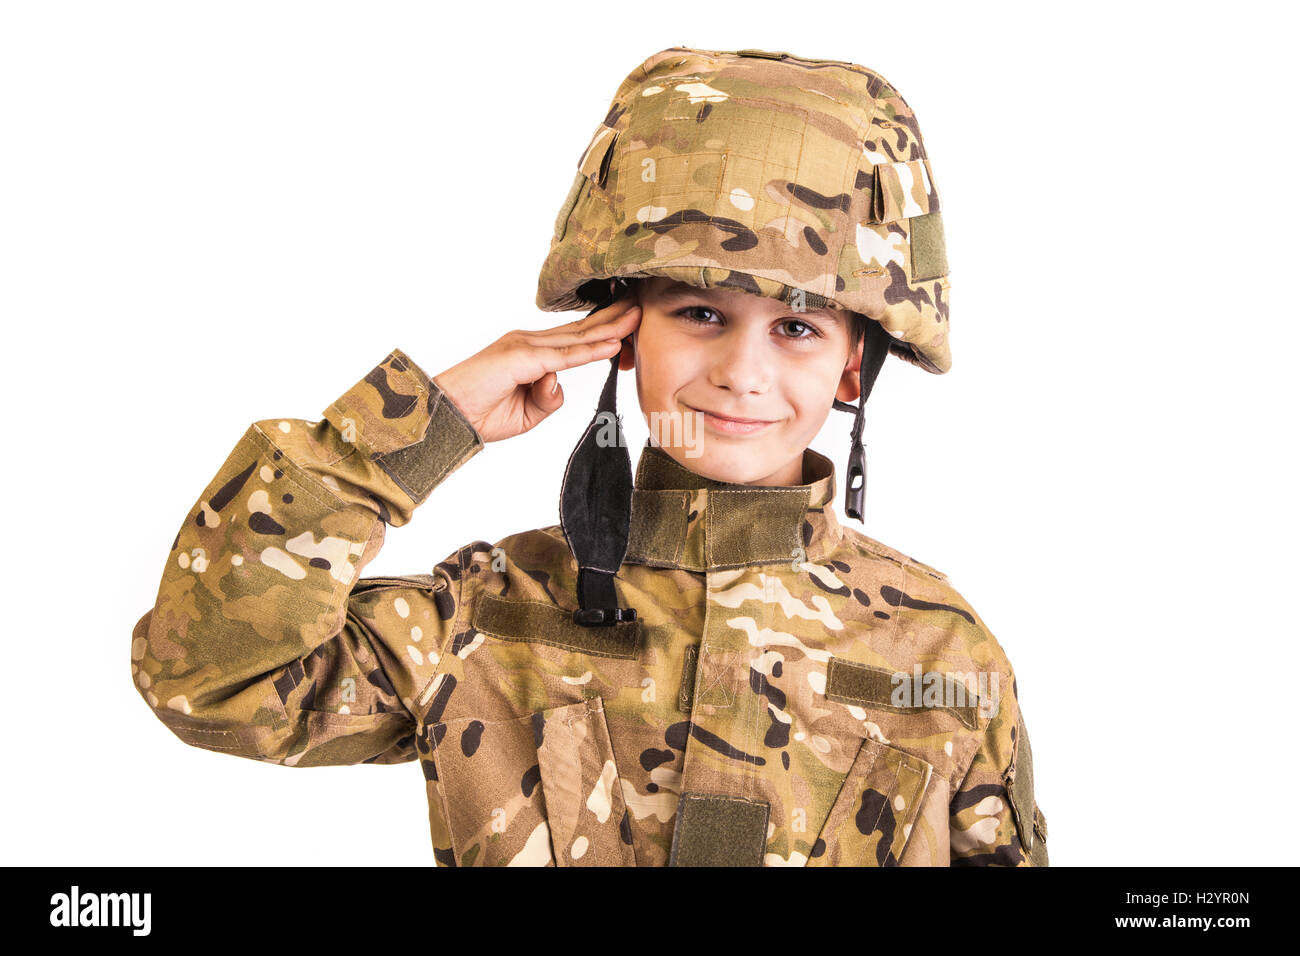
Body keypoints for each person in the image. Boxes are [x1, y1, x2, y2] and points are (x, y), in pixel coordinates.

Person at [131, 46, 1048, 866]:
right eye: (700, 314)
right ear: (619, 332)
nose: (743, 374)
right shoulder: (494, 612)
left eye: (797, 327)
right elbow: (211, 680)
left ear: (853, 363)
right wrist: (416, 429)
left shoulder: (939, 650)